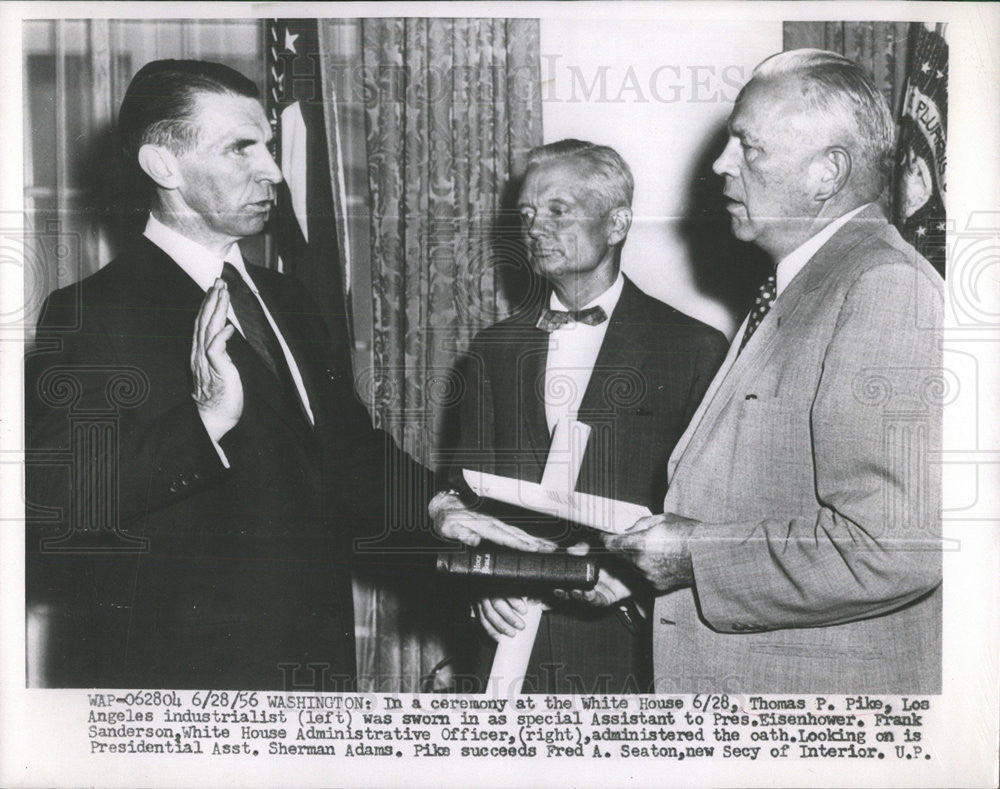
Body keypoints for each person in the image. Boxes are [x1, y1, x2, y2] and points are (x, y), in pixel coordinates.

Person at [25, 60, 430, 690]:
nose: (271, 170)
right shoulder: (91, 314)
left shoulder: (289, 299)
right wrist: (206, 420)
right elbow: (52, 500)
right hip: (181, 693)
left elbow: (346, 455)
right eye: (241, 148)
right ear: (164, 167)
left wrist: (439, 506)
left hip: (313, 676)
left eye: (267, 146)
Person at [599, 49, 943, 693]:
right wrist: (644, 570)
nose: (720, 165)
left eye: (747, 147)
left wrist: (697, 558)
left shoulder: (884, 288)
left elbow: (896, 547)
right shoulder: (803, 285)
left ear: (827, 172)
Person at [432, 140, 727, 693]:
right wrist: (482, 586)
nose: (535, 227)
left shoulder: (693, 349)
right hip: (509, 647)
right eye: (526, 214)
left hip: (630, 652)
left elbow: (713, 518)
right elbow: (463, 494)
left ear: (617, 223)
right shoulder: (494, 349)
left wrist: (633, 583)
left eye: (558, 210)